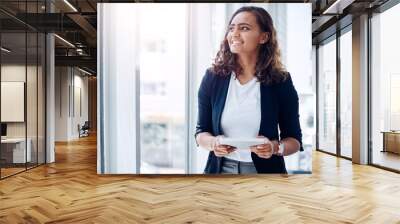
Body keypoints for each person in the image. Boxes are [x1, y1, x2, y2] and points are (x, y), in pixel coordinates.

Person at [195, 6, 303, 174]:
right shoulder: (213, 77)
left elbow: (294, 140)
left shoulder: (281, 81)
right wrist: (214, 143)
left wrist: (274, 147)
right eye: (232, 28)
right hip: (220, 171)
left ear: (264, 37)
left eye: (244, 28)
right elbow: (201, 133)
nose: (234, 34)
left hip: (266, 174)